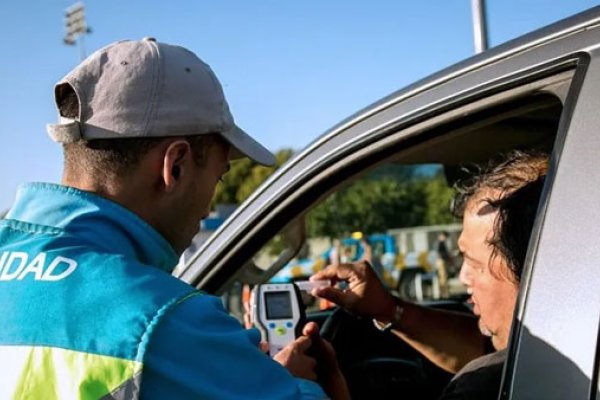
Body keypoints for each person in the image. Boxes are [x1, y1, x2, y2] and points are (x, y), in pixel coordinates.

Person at [0, 38, 349, 400]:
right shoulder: (167, 320)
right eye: (220, 175)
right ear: (176, 166)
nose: (209, 202)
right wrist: (296, 383)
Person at [311, 150, 548, 399]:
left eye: (474, 262)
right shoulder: (557, 352)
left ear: (531, 268)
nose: (463, 276)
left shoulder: (484, 387)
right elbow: (484, 349)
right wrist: (388, 309)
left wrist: (325, 387)